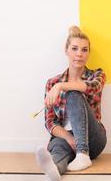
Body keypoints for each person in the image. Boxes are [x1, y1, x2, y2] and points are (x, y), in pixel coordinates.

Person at [35, 26, 107, 181]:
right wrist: (68, 137)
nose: (79, 54)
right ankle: (54, 170)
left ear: (89, 53)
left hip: (93, 138)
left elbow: (93, 87)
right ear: (66, 50)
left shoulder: (97, 75)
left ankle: (83, 155)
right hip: (67, 137)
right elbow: (49, 122)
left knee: (73, 93)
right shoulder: (51, 83)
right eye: (74, 49)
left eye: (84, 50)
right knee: (58, 149)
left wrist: (61, 86)